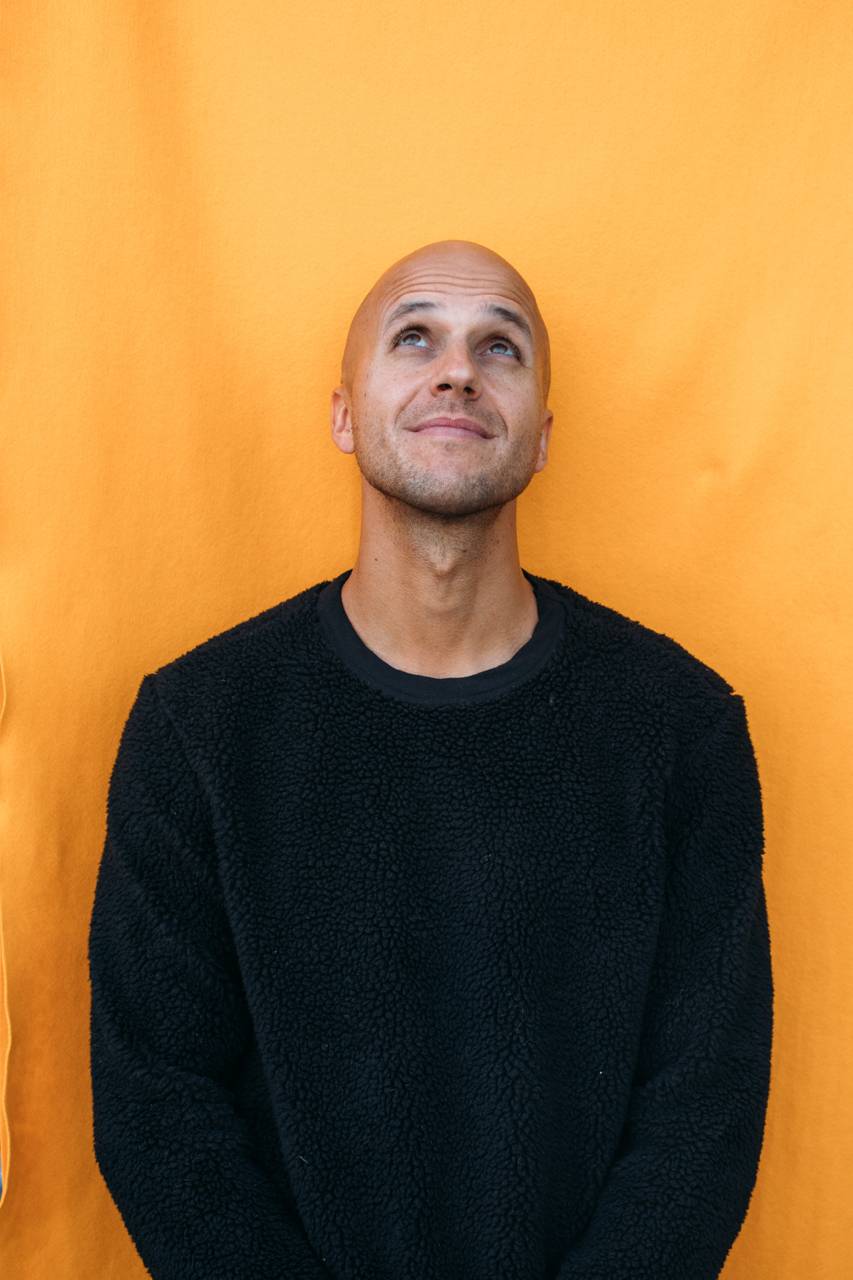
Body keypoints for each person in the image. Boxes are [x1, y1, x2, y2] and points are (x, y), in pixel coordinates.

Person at [88, 239, 774, 1280]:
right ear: (342, 414)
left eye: (500, 347)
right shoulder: (199, 728)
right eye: (414, 338)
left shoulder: (680, 729)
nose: (457, 371)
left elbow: (703, 1112)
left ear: (542, 438)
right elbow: (158, 1106)